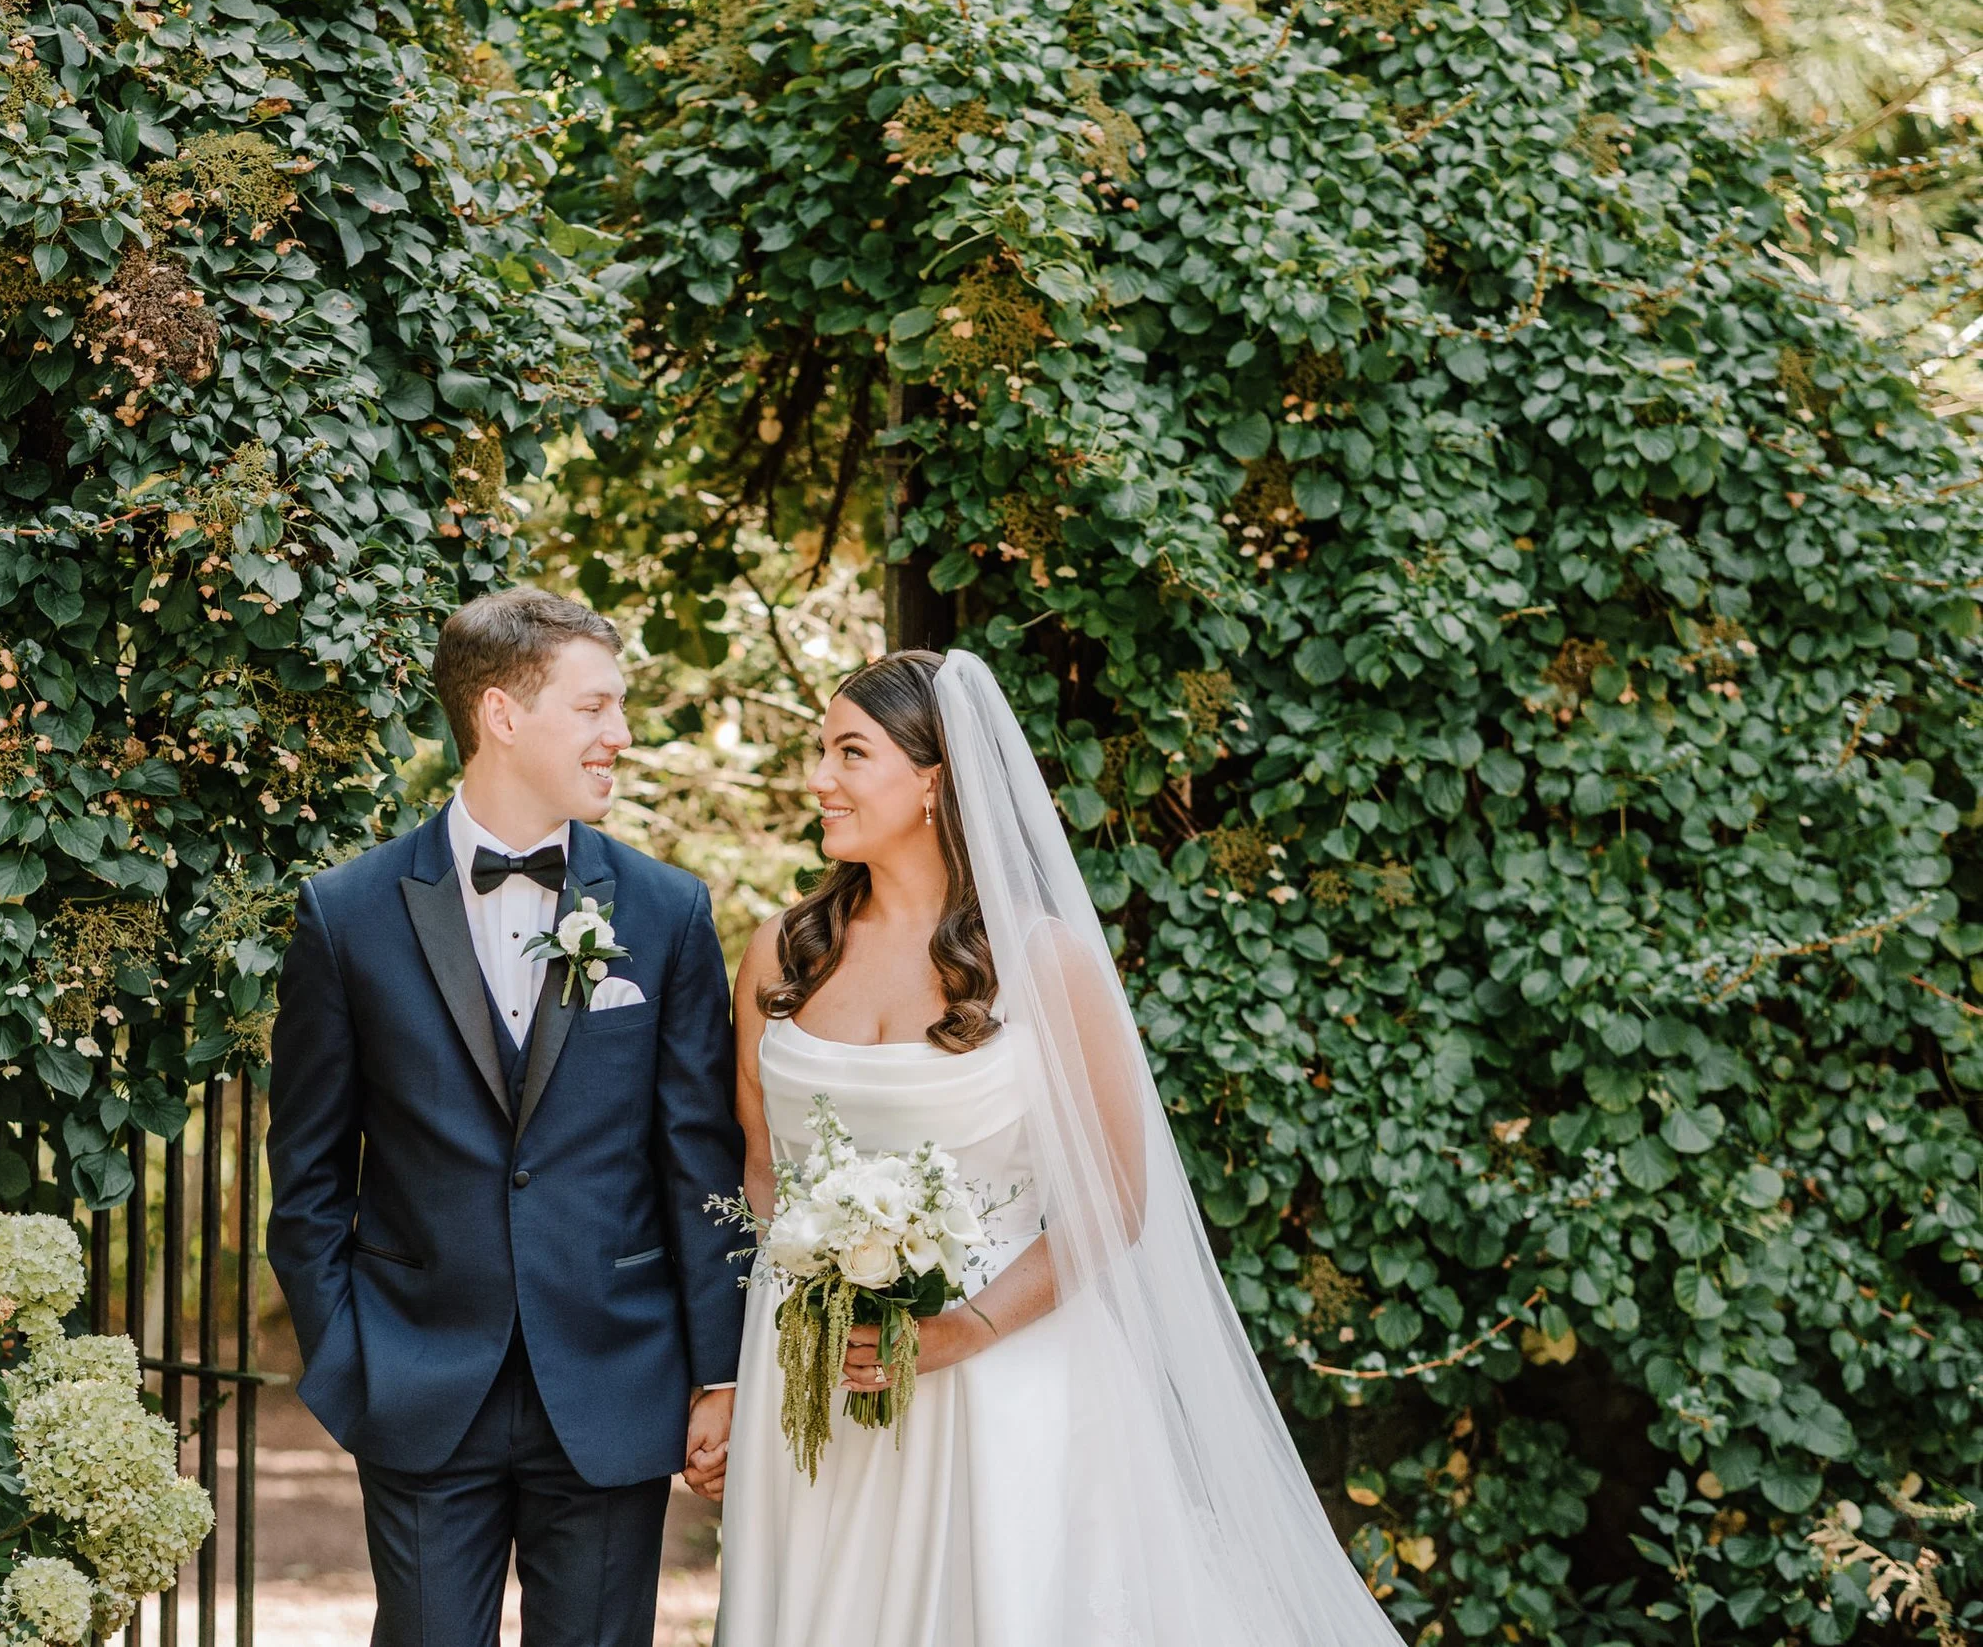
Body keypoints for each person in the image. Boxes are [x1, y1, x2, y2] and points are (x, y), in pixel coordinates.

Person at [713, 648, 1411, 1647]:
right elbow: (761, 1164)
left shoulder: (1043, 962)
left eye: (848, 751)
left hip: (1003, 1389)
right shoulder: (781, 951)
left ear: (932, 780)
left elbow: (1115, 1198)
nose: (818, 777)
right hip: (817, 1379)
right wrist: (816, 1313)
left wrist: (961, 1329)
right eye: (818, 750)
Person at [266, 587, 748, 1647]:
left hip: (615, 1378)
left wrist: (718, 1369)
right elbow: (304, 1175)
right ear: (503, 714)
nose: (619, 734)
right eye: (595, 707)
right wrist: (349, 1355)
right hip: (419, 1379)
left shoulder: (666, 911)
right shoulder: (346, 914)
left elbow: (698, 1159)